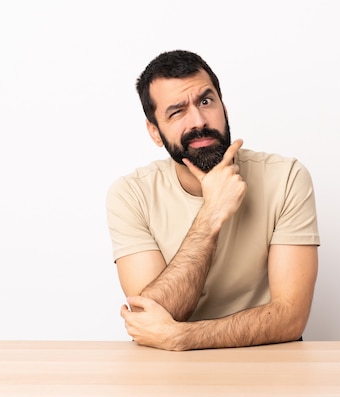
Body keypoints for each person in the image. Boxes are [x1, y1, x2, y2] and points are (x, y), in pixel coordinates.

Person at [106, 50, 320, 351]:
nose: (198, 121)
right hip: (169, 374)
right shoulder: (130, 195)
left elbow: (291, 317)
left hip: (269, 365)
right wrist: (211, 214)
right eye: (177, 111)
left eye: (206, 102)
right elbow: (149, 316)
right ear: (154, 131)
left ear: (224, 108)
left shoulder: (285, 177)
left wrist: (184, 337)